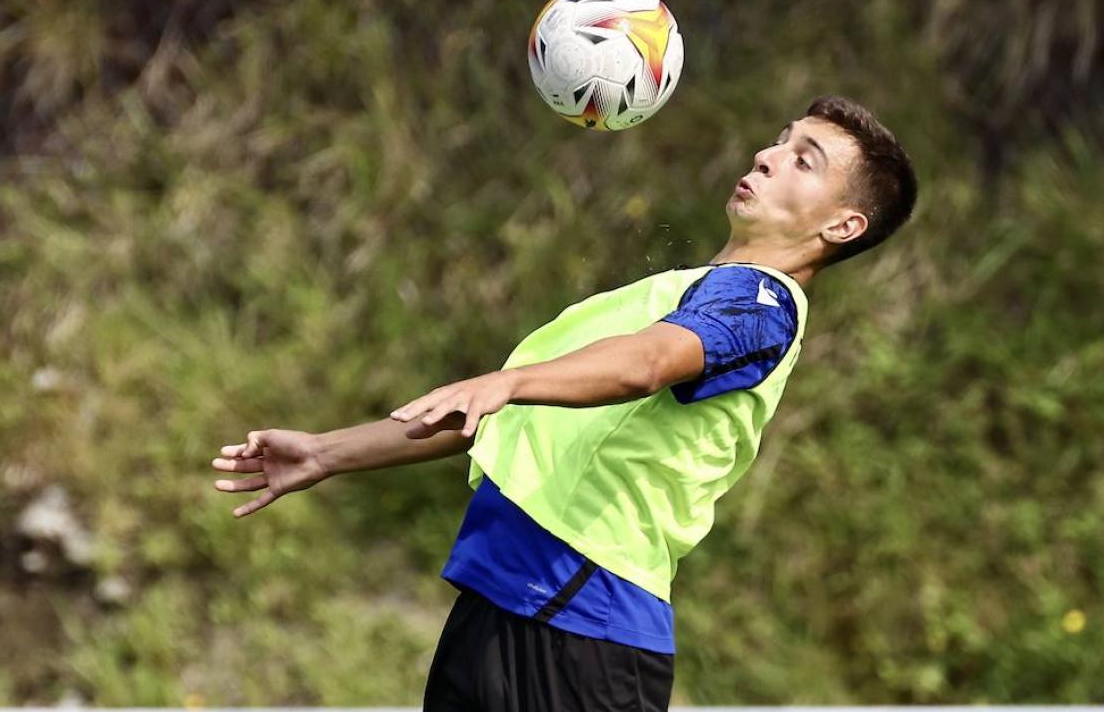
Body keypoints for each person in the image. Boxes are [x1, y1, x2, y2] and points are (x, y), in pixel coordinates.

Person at [212, 95, 917, 712]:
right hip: (508, 598)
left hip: (580, 623)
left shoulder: (763, 303)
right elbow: (495, 416)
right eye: (779, 139)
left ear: (843, 226)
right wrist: (328, 452)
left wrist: (509, 380)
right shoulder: (689, 291)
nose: (767, 156)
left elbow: (645, 367)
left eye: (804, 159)